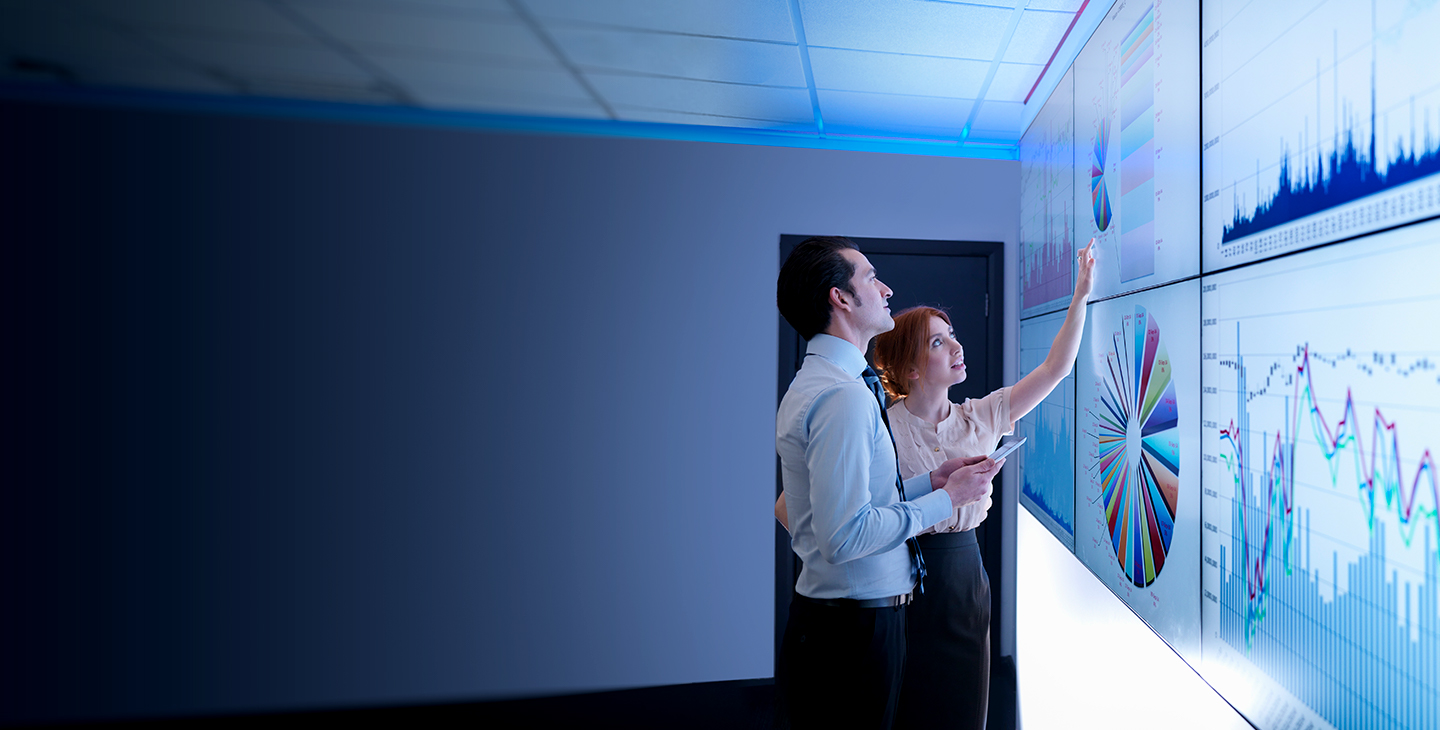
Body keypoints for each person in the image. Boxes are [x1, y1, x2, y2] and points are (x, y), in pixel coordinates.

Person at [776, 239, 1096, 730]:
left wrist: (931, 483)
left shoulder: (971, 415)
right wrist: (942, 498)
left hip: (951, 581)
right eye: (936, 341)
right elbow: (825, 525)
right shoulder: (853, 403)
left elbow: (1056, 368)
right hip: (889, 593)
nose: (884, 288)